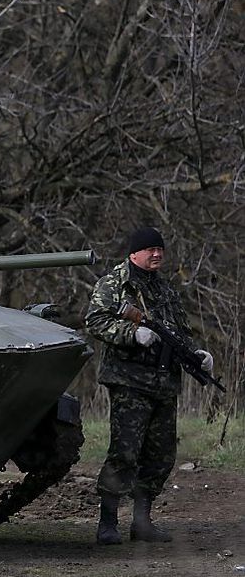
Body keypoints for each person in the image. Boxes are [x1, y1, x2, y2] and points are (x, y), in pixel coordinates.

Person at [84, 226, 214, 545]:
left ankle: (142, 522)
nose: (156, 254)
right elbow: (95, 320)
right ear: (133, 253)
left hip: (163, 385)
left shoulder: (165, 290)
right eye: (149, 249)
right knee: (124, 452)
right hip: (129, 382)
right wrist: (131, 334)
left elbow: (180, 330)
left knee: (160, 456)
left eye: (160, 249)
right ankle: (108, 523)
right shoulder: (114, 284)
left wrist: (195, 354)